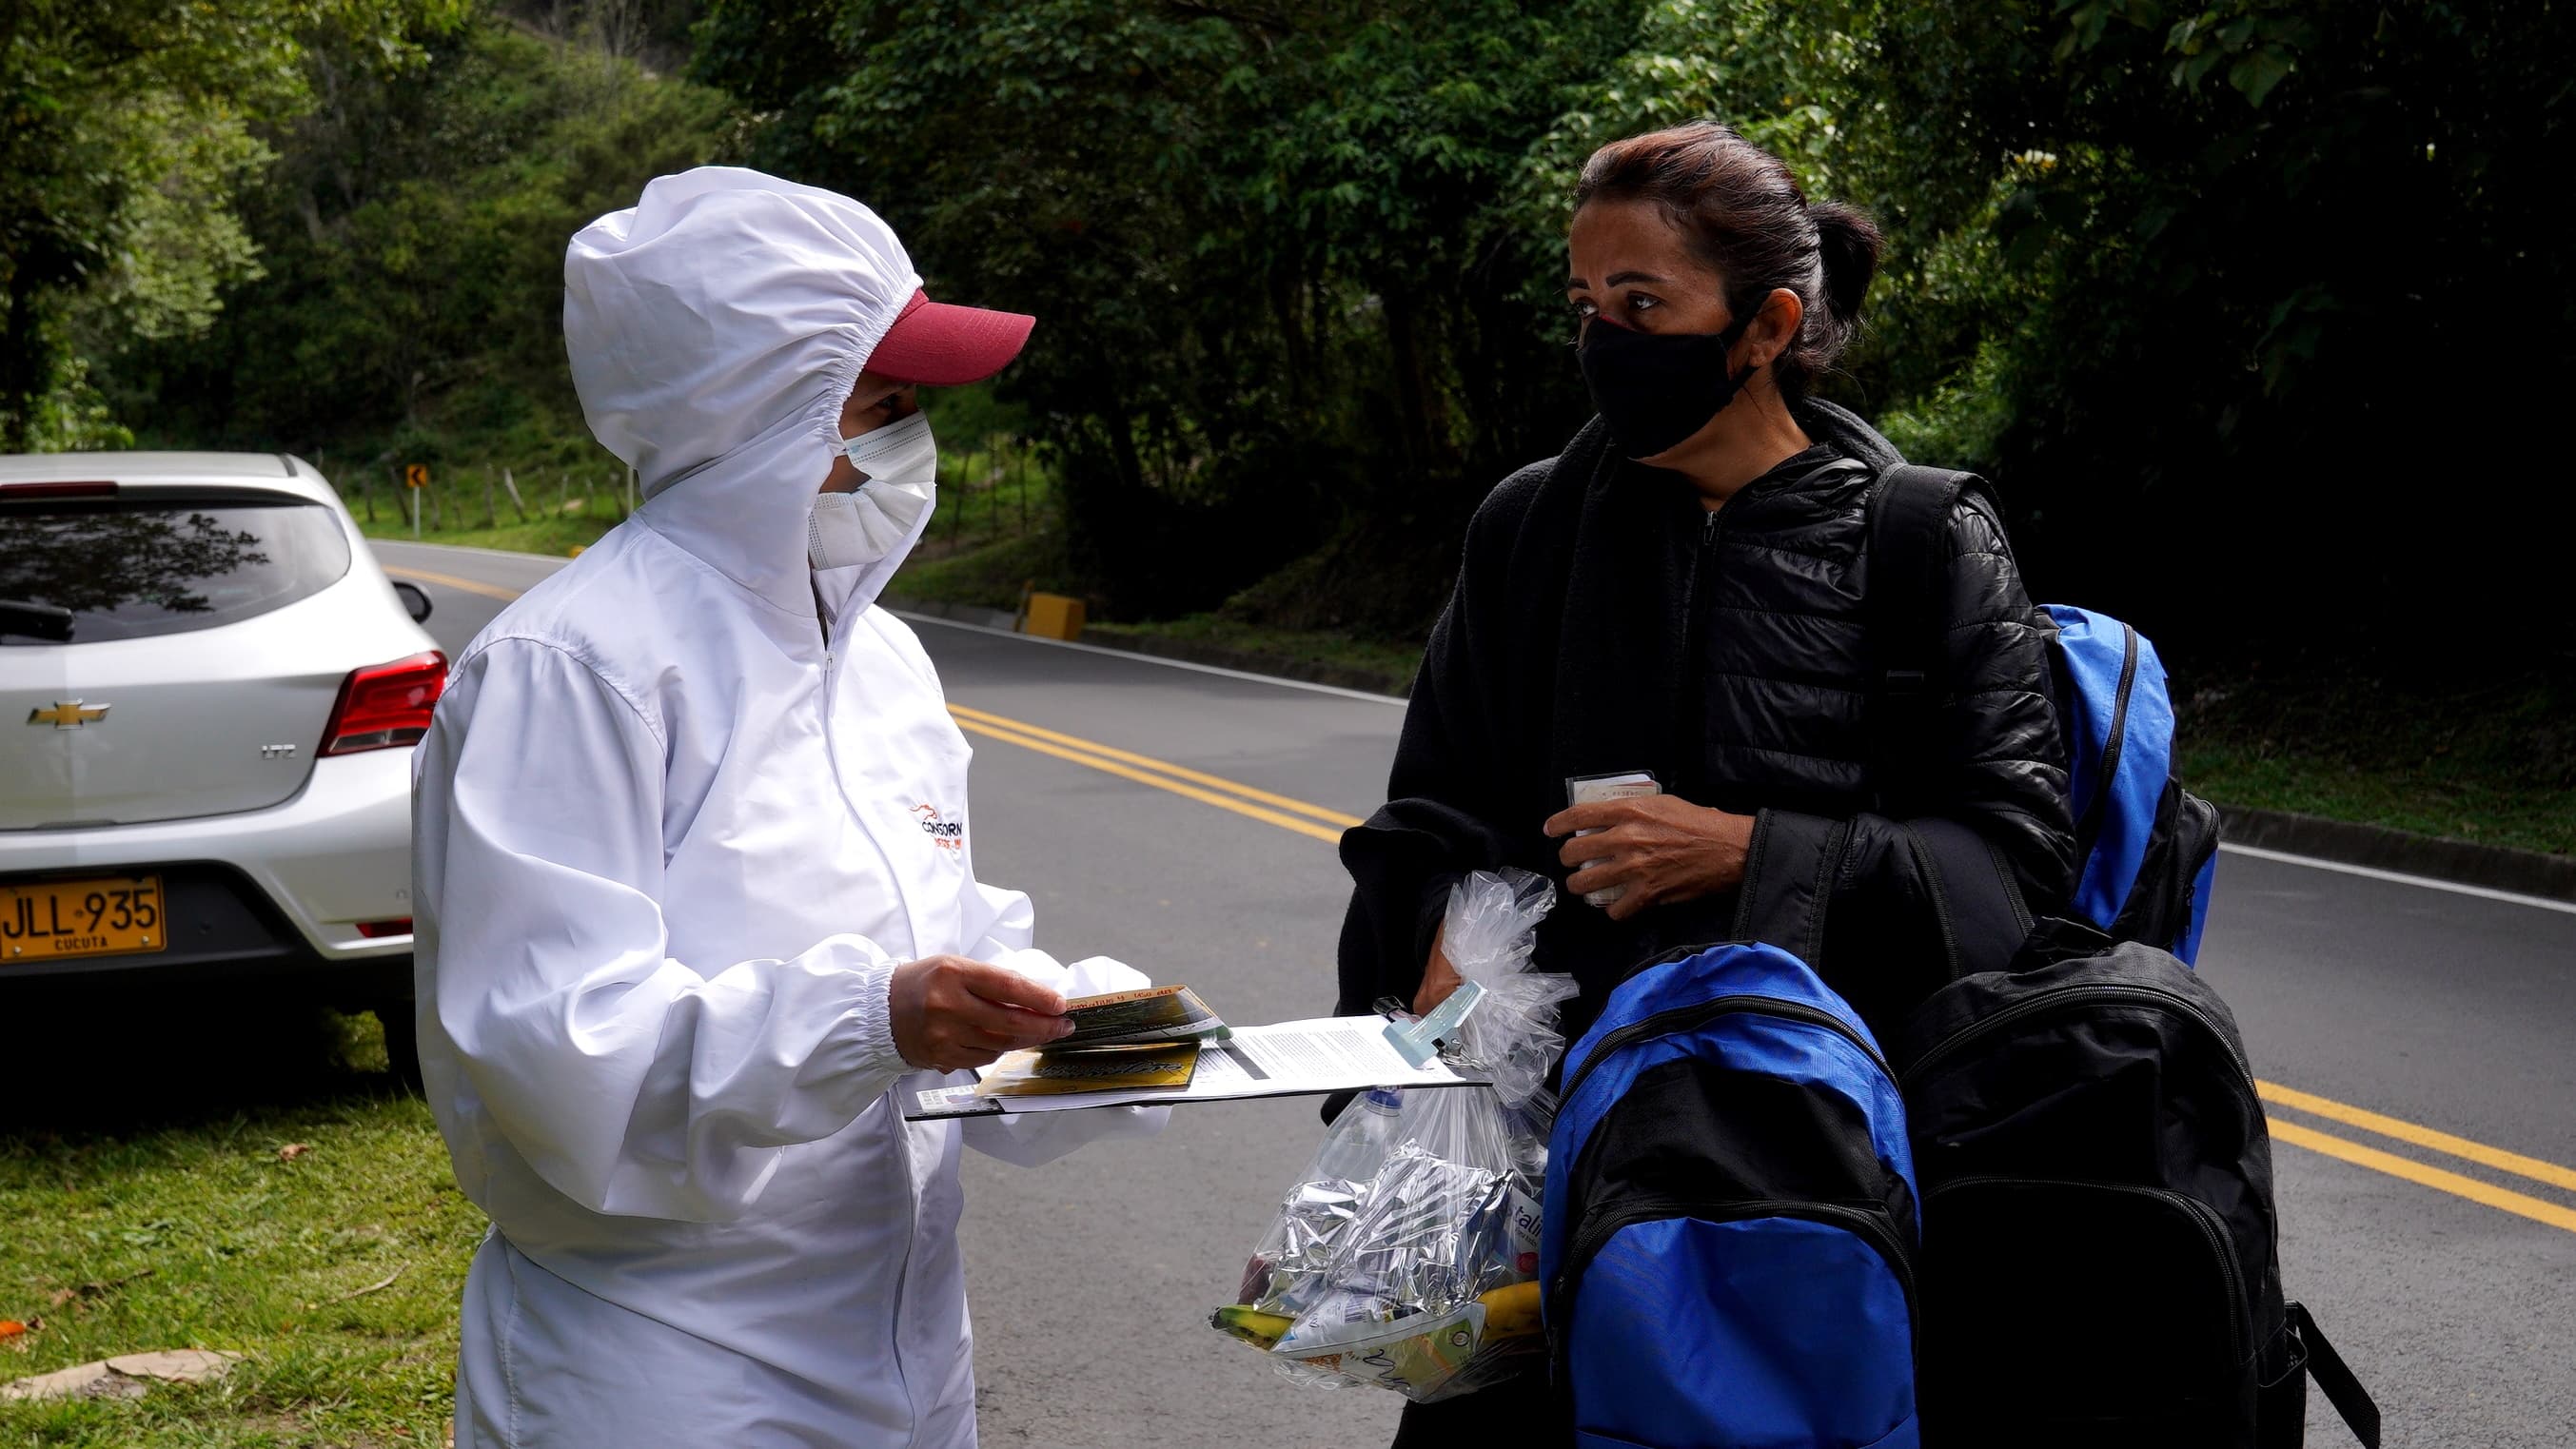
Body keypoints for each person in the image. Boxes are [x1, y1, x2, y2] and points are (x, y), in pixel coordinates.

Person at [1334, 122, 2076, 1441]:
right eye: (1584, 304)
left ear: (1768, 322)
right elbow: (1431, 807)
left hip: (1836, 1179)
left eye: (1641, 303)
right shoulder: (1530, 531)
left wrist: (1753, 849)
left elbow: (2012, 874)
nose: (1602, 338)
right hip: (1563, 1171)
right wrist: (1437, 932)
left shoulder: (1921, 541)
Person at [413, 167, 1166, 1449]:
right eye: (881, 400)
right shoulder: (580, 666)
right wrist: (869, 1020)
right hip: (669, 1366)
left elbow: (951, 957)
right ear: (755, 405)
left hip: (904, 1342)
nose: (909, 434)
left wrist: (1095, 1036)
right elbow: (557, 1056)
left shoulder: (875, 660)